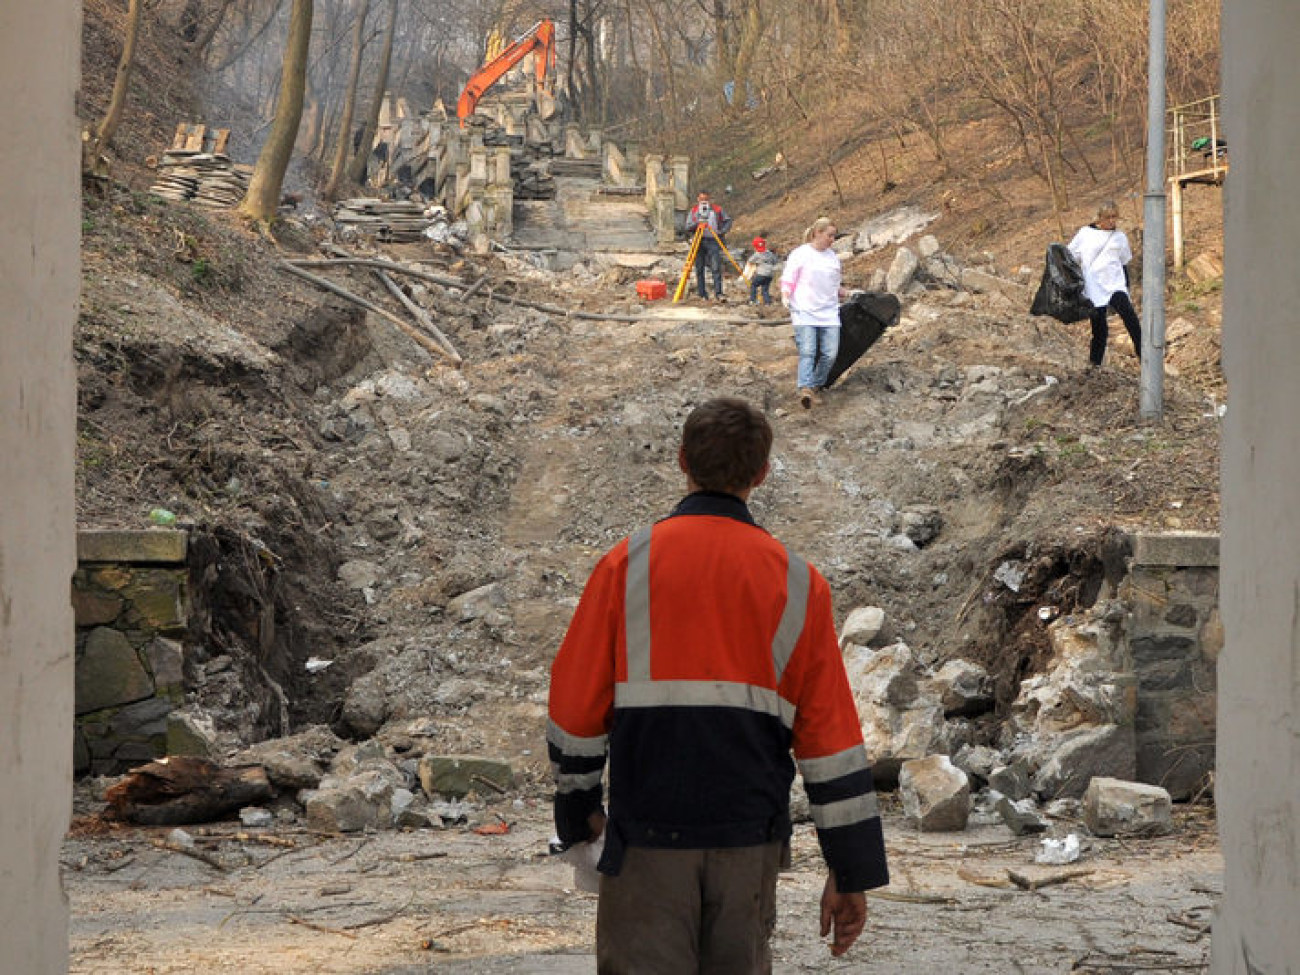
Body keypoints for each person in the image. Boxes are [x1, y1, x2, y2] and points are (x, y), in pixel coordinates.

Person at [548, 397, 889, 974]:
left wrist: (579, 811)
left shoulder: (623, 567)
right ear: (761, 473)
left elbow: (576, 708)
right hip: (747, 846)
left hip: (646, 843)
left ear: (682, 460)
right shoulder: (801, 585)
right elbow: (829, 739)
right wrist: (849, 867)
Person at [780, 217, 847, 409]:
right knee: (808, 351)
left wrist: (847, 293)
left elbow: (834, 286)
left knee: (830, 353)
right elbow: (789, 277)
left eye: (834, 236)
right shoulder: (801, 254)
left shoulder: (832, 258)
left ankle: (816, 383)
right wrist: (786, 294)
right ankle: (805, 388)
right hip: (804, 309)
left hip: (828, 311)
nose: (832, 240)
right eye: (830, 235)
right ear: (817, 233)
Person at [1067, 202, 1142, 367]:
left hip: (1115, 282)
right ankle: (1095, 365)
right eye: (1108, 217)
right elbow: (1070, 256)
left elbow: (1123, 262)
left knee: (1130, 317)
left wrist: (1126, 285)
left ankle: (1143, 354)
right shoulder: (1085, 234)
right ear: (1099, 218)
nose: (1112, 221)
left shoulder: (1120, 237)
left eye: (1114, 217)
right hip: (1093, 285)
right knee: (1100, 327)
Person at [685, 191, 731, 301]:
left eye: (706, 199)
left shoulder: (717, 209)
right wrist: (698, 224)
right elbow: (687, 226)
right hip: (698, 241)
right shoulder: (694, 211)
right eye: (702, 199)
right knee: (699, 268)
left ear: (709, 199)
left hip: (713, 240)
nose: (704, 202)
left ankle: (718, 293)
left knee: (715, 267)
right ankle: (702, 294)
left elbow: (728, 221)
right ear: (698, 199)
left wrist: (721, 231)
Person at [744, 235, 781, 305]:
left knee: (754, 285)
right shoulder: (770, 253)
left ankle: (753, 300)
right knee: (765, 289)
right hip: (770, 275)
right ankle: (767, 302)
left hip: (761, 274)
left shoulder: (757, 254)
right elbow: (775, 261)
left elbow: (750, 261)